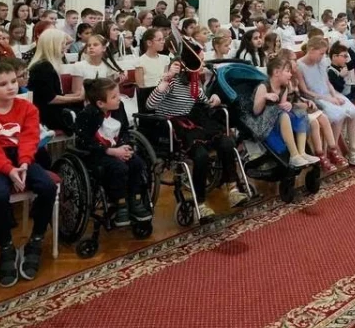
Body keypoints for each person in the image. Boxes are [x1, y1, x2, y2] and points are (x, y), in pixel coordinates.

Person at [0, 61, 56, 287]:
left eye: (13, 81)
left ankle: (36, 239)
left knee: (47, 187)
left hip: (22, 157)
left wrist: (25, 164)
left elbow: (30, 139)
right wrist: (9, 170)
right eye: (2, 84)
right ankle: (6, 246)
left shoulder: (28, 108)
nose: (10, 87)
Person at [145, 40, 248, 219]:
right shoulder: (172, 82)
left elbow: (204, 101)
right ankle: (200, 203)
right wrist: (166, 78)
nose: (202, 66)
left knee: (226, 142)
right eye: (199, 61)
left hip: (193, 122)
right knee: (200, 156)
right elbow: (150, 104)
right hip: (172, 125)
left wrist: (214, 98)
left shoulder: (194, 84)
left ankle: (233, 189)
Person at [73, 78, 152, 229]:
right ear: (100, 103)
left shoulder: (118, 108)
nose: (119, 98)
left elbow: (124, 131)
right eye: (114, 97)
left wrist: (126, 146)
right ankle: (120, 203)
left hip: (117, 149)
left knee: (137, 163)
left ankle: (135, 200)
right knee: (119, 168)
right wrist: (110, 151)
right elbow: (85, 142)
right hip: (96, 154)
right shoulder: (87, 115)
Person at [294, 38, 355, 167]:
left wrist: (335, 95)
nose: (323, 56)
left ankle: (353, 151)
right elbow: (305, 90)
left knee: (352, 113)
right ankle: (332, 148)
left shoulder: (321, 62)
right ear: (311, 50)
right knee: (338, 115)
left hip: (329, 94)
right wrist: (329, 99)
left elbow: (327, 82)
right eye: (321, 53)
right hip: (316, 97)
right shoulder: (300, 65)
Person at [248, 57, 319, 168]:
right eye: (287, 71)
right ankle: (294, 156)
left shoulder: (283, 88)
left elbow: (282, 107)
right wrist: (264, 97)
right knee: (284, 115)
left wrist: (289, 105)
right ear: (276, 72)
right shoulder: (263, 86)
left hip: (278, 120)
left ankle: (302, 153)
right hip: (263, 124)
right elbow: (256, 111)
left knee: (300, 114)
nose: (290, 75)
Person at [28, 29, 84, 134]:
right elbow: (51, 99)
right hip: (47, 114)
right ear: (53, 45)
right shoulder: (43, 67)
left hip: (50, 109)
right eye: (62, 44)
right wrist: (77, 98)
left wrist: (77, 97)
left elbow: (54, 95)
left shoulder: (46, 64)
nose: (65, 47)